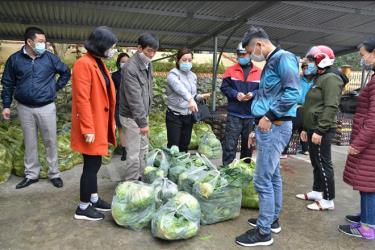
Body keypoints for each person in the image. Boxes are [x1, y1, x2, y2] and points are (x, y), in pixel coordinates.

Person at [235, 25, 300, 247]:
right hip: (267, 126)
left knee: (262, 180)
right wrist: (258, 125)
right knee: (272, 177)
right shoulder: (272, 61)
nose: (252, 55)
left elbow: (293, 93)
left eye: (251, 50)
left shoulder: (283, 59)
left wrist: (269, 117)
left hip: (276, 125)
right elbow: (268, 96)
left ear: (259, 45)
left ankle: (264, 233)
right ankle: (271, 221)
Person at [1, 26, 71, 189]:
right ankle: (31, 175)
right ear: (29, 42)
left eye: (45, 42)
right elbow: (7, 83)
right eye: (40, 42)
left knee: (50, 140)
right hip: (24, 107)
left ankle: (54, 174)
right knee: (30, 142)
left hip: (46, 107)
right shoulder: (15, 59)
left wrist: (55, 88)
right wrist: (6, 105)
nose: (44, 45)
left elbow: (66, 72)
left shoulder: (50, 58)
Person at [70, 26, 117, 221]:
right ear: (101, 45)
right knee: (91, 166)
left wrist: (110, 121)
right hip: (91, 124)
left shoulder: (98, 62)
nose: (113, 50)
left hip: (100, 121)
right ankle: (82, 207)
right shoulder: (84, 64)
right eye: (111, 46)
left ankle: (94, 198)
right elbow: (82, 99)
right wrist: (88, 128)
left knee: (95, 164)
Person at [297, 45, 348, 211]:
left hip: (322, 128)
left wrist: (320, 130)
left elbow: (331, 106)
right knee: (315, 161)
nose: (308, 64)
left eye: (311, 61)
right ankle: (317, 191)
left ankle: (328, 199)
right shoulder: (320, 77)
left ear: (321, 60)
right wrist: (305, 128)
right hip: (313, 127)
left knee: (324, 163)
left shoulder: (331, 78)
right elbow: (312, 105)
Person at [338, 38, 375, 240]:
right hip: (369, 142)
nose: (362, 59)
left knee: (368, 184)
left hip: (369, 143)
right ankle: (367, 215)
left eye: (363, 55)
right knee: (367, 182)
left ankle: (368, 226)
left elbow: (373, 118)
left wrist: (358, 144)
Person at [119, 33, 159, 181]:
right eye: (149, 50)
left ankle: (142, 177)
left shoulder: (148, 63)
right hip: (131, 117)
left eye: (154, 51)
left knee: (144, 149)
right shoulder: (130, 68)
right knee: (134, 153)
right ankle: (130, 184)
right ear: (139, 48)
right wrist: (142, 123)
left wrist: (144, 118)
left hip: (142, 115)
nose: (152, 54)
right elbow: (134, 99)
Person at [220, 42, 261, 165]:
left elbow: (263, 90)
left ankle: (244, 171)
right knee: (229, 146)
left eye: (245, 54)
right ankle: (227, 171)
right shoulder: (230, 71)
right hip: (234, 115)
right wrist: (236, 94)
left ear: (250, 54)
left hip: (250, 115)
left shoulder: (259, 72)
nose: (242, 56)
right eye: (240, 54)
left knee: (247, 147)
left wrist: (253, 94)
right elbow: (224, 88)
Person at [165, 48, 210, 152]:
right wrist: (190, 98)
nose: (187, 62)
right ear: (178, 60)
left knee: (185, 145)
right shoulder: (173, 75)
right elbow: (179, 88)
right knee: (173, 147)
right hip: (174, 116)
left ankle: (182, 166)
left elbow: (192, 95)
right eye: (184, 60)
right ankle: (171, 167)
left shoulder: (193, 76)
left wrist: (199, 96)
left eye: (190, 60)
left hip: (188, 116)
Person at [280, 58, 315, 158]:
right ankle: (284, 151)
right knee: (292, 128)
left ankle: (305, 149)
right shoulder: (298, 79)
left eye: (309, 68)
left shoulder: (315, 81)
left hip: (309, 108)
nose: (306, 70)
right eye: (305, 68)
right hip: (297, 107)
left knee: (304, 129)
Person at [112, 52, 130, 161]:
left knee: (131, 128)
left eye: (127, 62)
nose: (125, 64)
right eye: (123, 62)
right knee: (121, 128)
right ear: (119, 63)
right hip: (119, 105)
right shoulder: (115, 75)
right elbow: (113, 92)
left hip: (132, 106)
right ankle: (124, 150)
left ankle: (132, 148)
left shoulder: (134, 73)